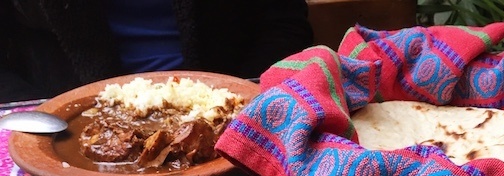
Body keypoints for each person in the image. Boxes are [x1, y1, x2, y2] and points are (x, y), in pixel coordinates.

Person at [0, 0, 313, 102]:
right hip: (67, 122)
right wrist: (39, 114)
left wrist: (239, 97)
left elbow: (284, 25)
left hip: (230, 108)